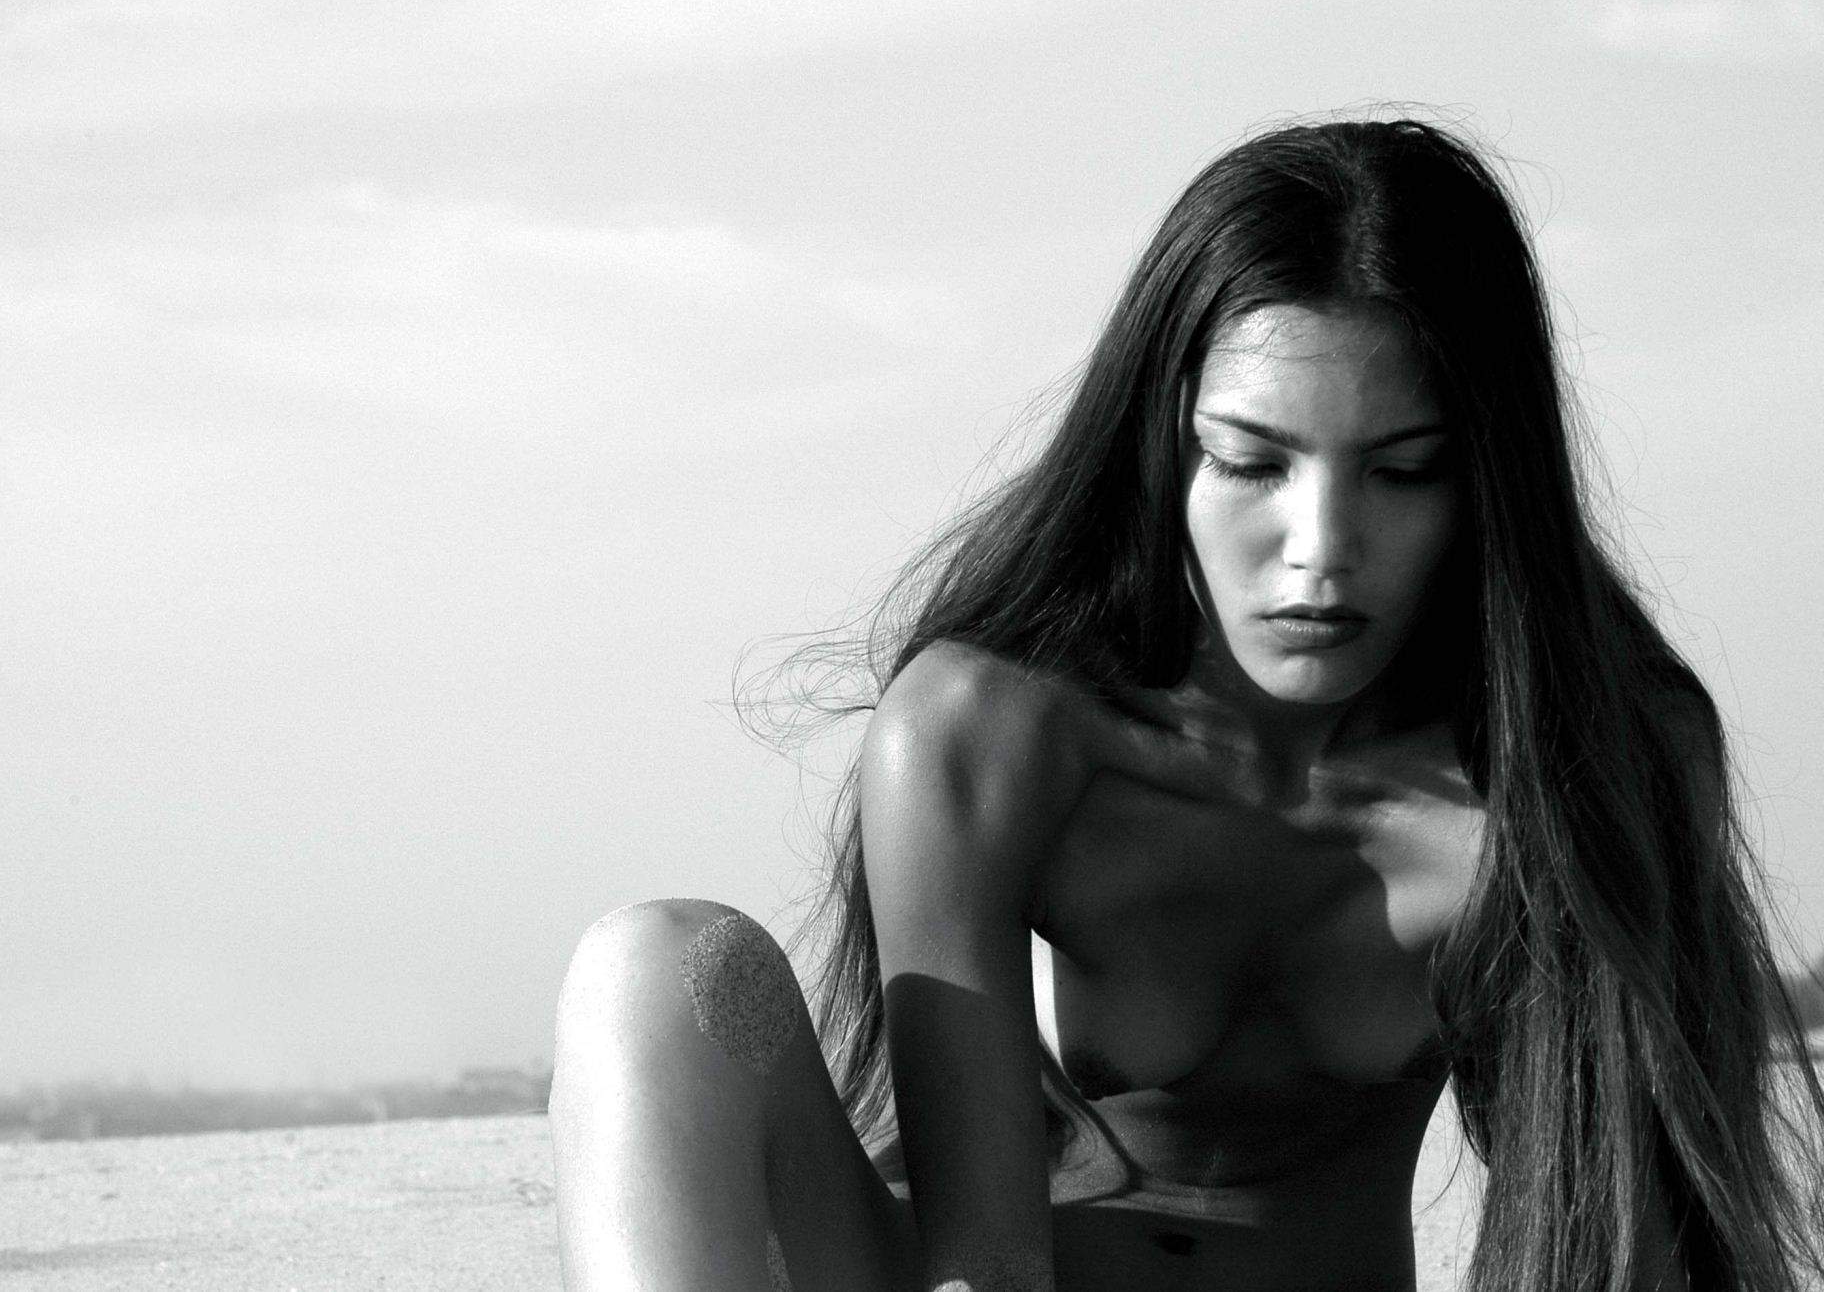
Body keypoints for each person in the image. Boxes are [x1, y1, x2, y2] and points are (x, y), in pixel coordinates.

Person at [546, 118, 1824, 1291]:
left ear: (1486, 480)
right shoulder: (989, 733)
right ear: (1161, 446)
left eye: (1400, 472)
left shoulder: (1580, 767)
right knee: (660, 968)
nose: (1318, 550)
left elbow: (1620, 1244)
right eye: (1250, 461)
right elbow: (980, 1258)